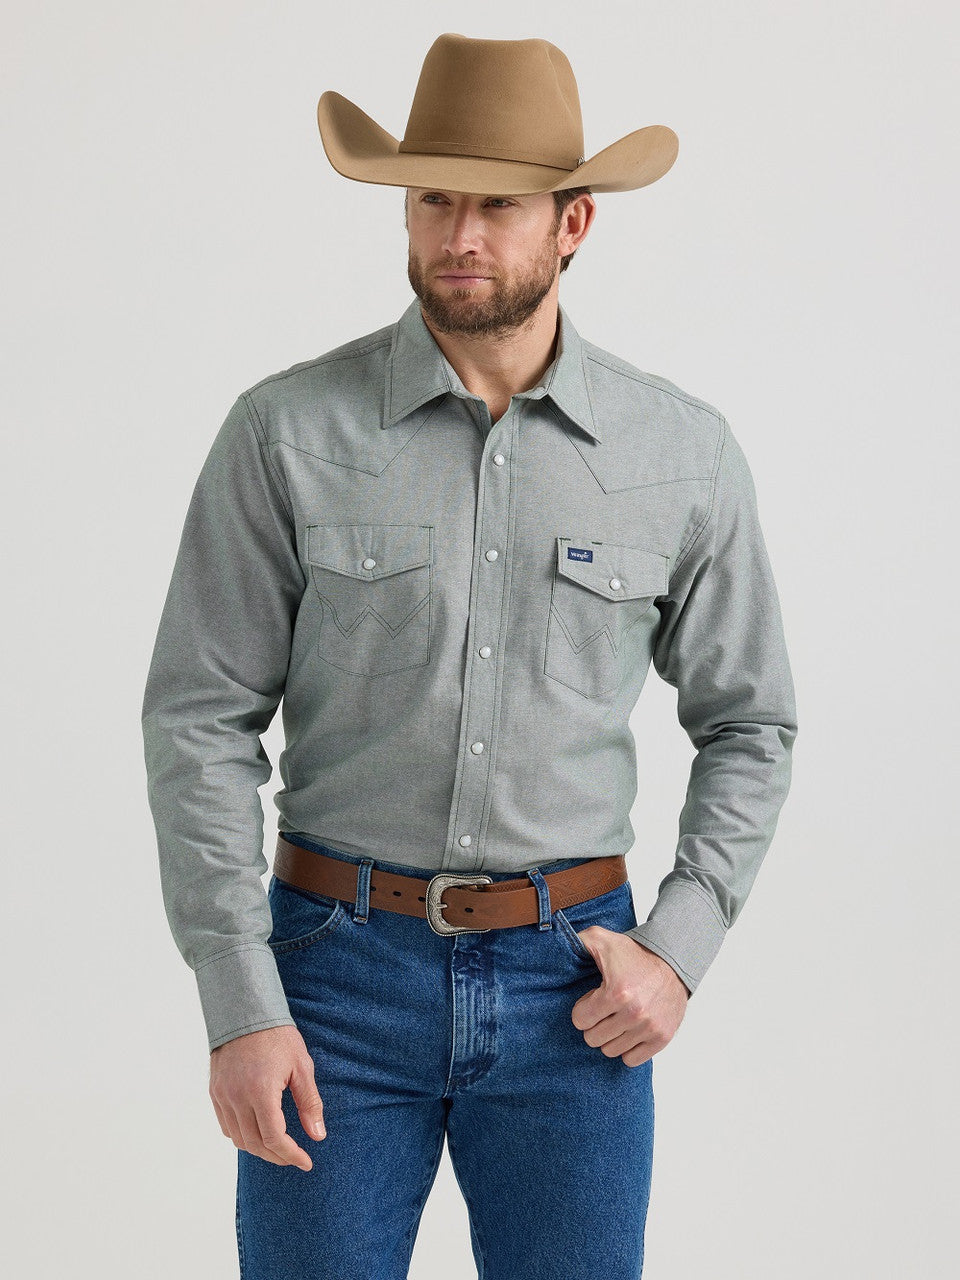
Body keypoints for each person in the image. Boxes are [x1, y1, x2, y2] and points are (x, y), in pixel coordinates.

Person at [141, 32, 797, 1280]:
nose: (460, 234)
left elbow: (751, 721)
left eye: (498, 205)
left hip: (575, 991)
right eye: (435, 198)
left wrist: (679, 944)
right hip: (330, 978)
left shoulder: (680, 454)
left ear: (573, 222)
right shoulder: (286, 433)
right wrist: (238, 994)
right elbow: (199, 718)